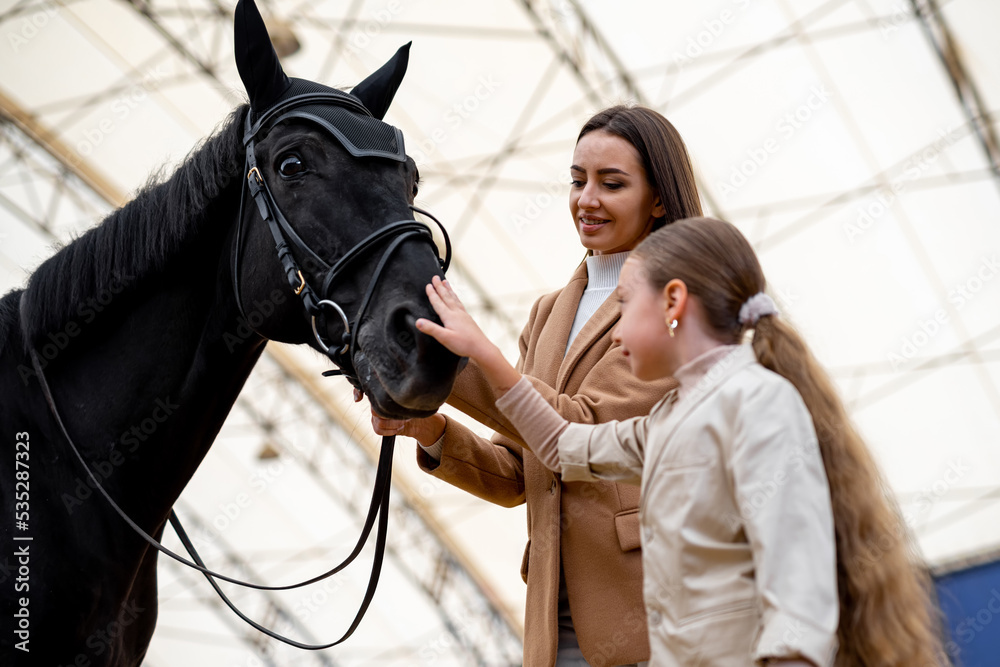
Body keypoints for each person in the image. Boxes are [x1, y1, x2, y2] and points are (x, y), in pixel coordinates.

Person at [409, 216, 948, 666]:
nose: (614, 332)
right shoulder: (671, 417)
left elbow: (798, 599)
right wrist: (477, 354)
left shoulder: (758, 404)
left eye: (623, 304)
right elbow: (561, 447)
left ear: (673, 302)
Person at [372, 105, 702, 666]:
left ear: (661, 198)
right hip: (554, 612)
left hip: (645, 610)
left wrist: (459, 361)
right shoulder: (550, 312)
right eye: (577, 181)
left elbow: (582, 430)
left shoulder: (677, 303)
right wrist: (426, 427)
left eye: (611, 183)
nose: (586, 199)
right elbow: (516, 472)